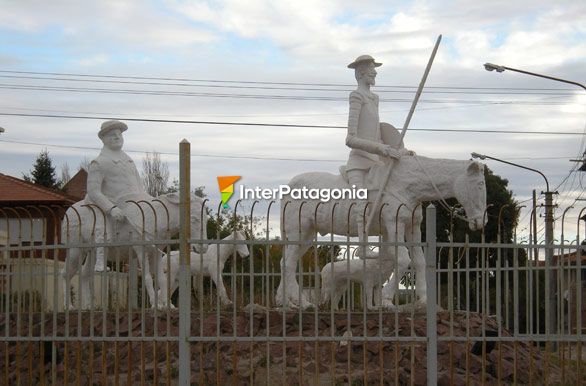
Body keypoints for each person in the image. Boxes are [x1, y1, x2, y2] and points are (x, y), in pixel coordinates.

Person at [345, 55, 412, 258]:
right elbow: (350, 138)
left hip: (377, 163)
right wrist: (381, 149)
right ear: (361, 72)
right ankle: (363, 247)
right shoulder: (356, 97)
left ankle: (388, 247)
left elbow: (376, 135)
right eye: (372, 68)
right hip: (358, 163)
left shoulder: (375, 99)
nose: (375, 72)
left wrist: (396, 151)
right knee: (362, 203)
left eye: (375, 68)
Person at [86, 120, 148, 271]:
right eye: (112, 134)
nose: (117, 137)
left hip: (131, 205)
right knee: (101, 225)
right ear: (104, 139)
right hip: (109, 204)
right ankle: (100, 259)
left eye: (119, 134)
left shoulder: (129, 161)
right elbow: (93, 191)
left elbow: (140, 187)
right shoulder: (99, 162)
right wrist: (111, 208)